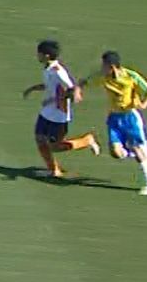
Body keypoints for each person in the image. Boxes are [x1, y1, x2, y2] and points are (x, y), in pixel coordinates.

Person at [23, 39, 99, 178]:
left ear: (46, 55)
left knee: (55, 146)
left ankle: (86, 141)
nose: (37, 56)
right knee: (40, 139)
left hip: (59, 115)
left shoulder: (59, 71)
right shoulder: (47, 68)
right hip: (46, 113)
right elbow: (50, 86)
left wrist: (55, 99)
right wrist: (33, 88)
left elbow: (71, 89)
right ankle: (54, 170)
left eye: (39, 53)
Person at [88, 50, 147, 195]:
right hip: (114, 117)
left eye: (104, 65)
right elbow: (85, 82)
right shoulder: (103, 77)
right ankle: (131, 150)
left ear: (112, 66)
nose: (102, 68)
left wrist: (144, 105)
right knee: (116, 153)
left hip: (130, 118)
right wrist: (76, 90)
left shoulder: (131, 76)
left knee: (139, 151)